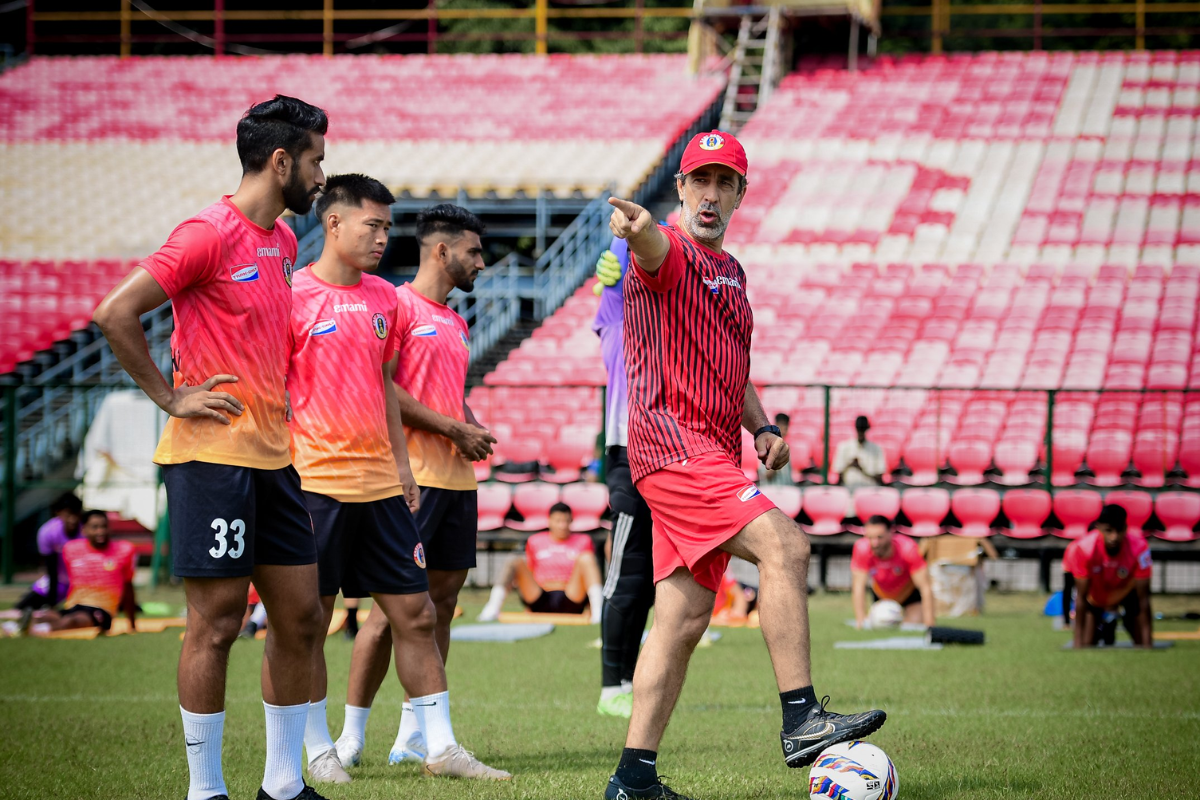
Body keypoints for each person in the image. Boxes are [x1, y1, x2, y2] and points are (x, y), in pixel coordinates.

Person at [602, 130, 885, 800]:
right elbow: (651, 247)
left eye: (724, 181)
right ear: (681, 188)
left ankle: (632, 778)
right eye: (699, 179)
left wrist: (763, 427)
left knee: (682, 618)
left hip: (712, 448)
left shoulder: (733, 271)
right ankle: (801, 718)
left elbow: (732, 365)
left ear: (739, 193)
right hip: (674, 449)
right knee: (786, 545)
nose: (710, 192)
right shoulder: (667, 249)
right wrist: (639, 228)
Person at [92, 95, 330, 800]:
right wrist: (171, 399)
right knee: (219, 621)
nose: (322, 174)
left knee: (302, 618)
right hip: (210, 460)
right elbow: (114, 313)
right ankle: (205, 791)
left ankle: (283, 787)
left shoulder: (285, 241)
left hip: (273, 458)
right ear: (281, 160)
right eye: (316, 160)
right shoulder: (207, 232)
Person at [286, 174, 509, 783]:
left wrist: (441, 441)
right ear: (332, 224)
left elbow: (386, 385)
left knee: (424, 612)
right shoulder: (307, 298)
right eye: (373, 225)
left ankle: (430, 742)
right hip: (326, 481)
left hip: (397, 481)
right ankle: (332, 744)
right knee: (327, 617)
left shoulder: (396, 304)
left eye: (388, 226)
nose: (384, 236)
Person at [331, 203, 497, 770]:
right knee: (390, 614)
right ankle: (350, 737)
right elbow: (385, 392)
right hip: (411, 483)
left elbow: (444, 394)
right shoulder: (395, 306)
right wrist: (453, 427)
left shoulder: (455, 319)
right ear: (441, 250)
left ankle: (415, 737)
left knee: (441, 608)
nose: (483, 261)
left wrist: (468, 423)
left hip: (456, 481)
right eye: (474, 251)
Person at [592, 240, 656, 719]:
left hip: (670, 457)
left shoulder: (670, 317)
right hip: (628, 456)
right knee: (627, 578)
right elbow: (626, 235)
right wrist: (615, 260)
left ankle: (632, 679)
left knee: (655, 584)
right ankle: (610, 685)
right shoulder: (615, 316)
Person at [3, 510, 136, 636]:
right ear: (84, 530)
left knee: (73, 621)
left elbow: (128, 586)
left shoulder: (123, 550)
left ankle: (34, 631)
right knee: (47, 616)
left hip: (101, 609)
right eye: (94, 527)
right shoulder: (71, 549)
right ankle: (19, 626)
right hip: (74, 604)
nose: (100, 531)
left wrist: (132, 624)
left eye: (104, 526)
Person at [479, 502, 603, 621]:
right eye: (558, 521)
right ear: (549, 521)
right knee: (514, 559)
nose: (562, 525)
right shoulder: (535, 541)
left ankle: (598, 612)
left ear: (571, 521)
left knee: (587, 558)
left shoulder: (583, 540)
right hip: (540, 595)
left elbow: (587, 574)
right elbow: (530, 570)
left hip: (571, 594)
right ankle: (492, 608)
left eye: (566, 521)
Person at [1070, 505, 1153, 648]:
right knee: (1087, 643)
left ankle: (1134, 630)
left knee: (1141, 643)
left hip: (1126, 594)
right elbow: (1081, 598)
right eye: (1109, 531)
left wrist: (1148, 645)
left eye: (1119, 531)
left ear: (1126, 528)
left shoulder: (1140, 548)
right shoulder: (1084, 549)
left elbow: (1143, 599)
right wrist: (1077, 644)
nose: (1114, 537)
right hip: (1096, 596)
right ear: (1099, 528)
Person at [851, 515, 936, 629]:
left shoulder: (908, 549)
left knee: (912, 625)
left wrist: (930, 624)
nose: (874, 543)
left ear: (890, 533)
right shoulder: (861, 549)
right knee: (882, 626)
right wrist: (860, 620)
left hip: (908, 595)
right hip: (882, 595)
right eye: (870, 538)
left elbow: (925, 587)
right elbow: (858, 586)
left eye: (879, 537)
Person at [8, 492, 82, 615]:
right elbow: (51, 570)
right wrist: (51, 603)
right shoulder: (48, 532)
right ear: (58, 513)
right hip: (60, 582)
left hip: (81, 583)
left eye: (76, 514)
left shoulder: (85, 531)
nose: (73, 519)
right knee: (21, 608)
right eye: (68, 514)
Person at [833, 415, 886, 490]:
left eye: (862, 430)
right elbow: (839, 476)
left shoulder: (877, 449)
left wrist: (862, 470)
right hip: (849, 489)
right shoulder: (844, 447)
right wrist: (850, 465)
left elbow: (880, 478)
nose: (861, 432)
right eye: (859, 429)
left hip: (870, 490)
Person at [760, 413, 794, 486]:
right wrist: (774, 461)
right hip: (771, 490)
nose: (783, 431)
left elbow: (788, 477)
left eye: (785, 428)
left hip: (786, 490)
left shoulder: (786, 447)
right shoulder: (767, 447)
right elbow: (766, 476)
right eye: (781, 427)